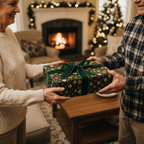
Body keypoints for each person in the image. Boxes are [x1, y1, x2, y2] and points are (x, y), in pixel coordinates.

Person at [0, 0, 71, 144]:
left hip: (20, 113)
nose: (18, 9)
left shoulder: (8, 32)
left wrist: (48, 68)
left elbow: (20, 68)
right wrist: (42, 95)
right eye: (12, 4)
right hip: (3, 128)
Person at [88, 0, 144, 143]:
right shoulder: (133, 23)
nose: (135, 0)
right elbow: (122, 55)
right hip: (126, 107)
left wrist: (127, 84)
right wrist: (102, 61)